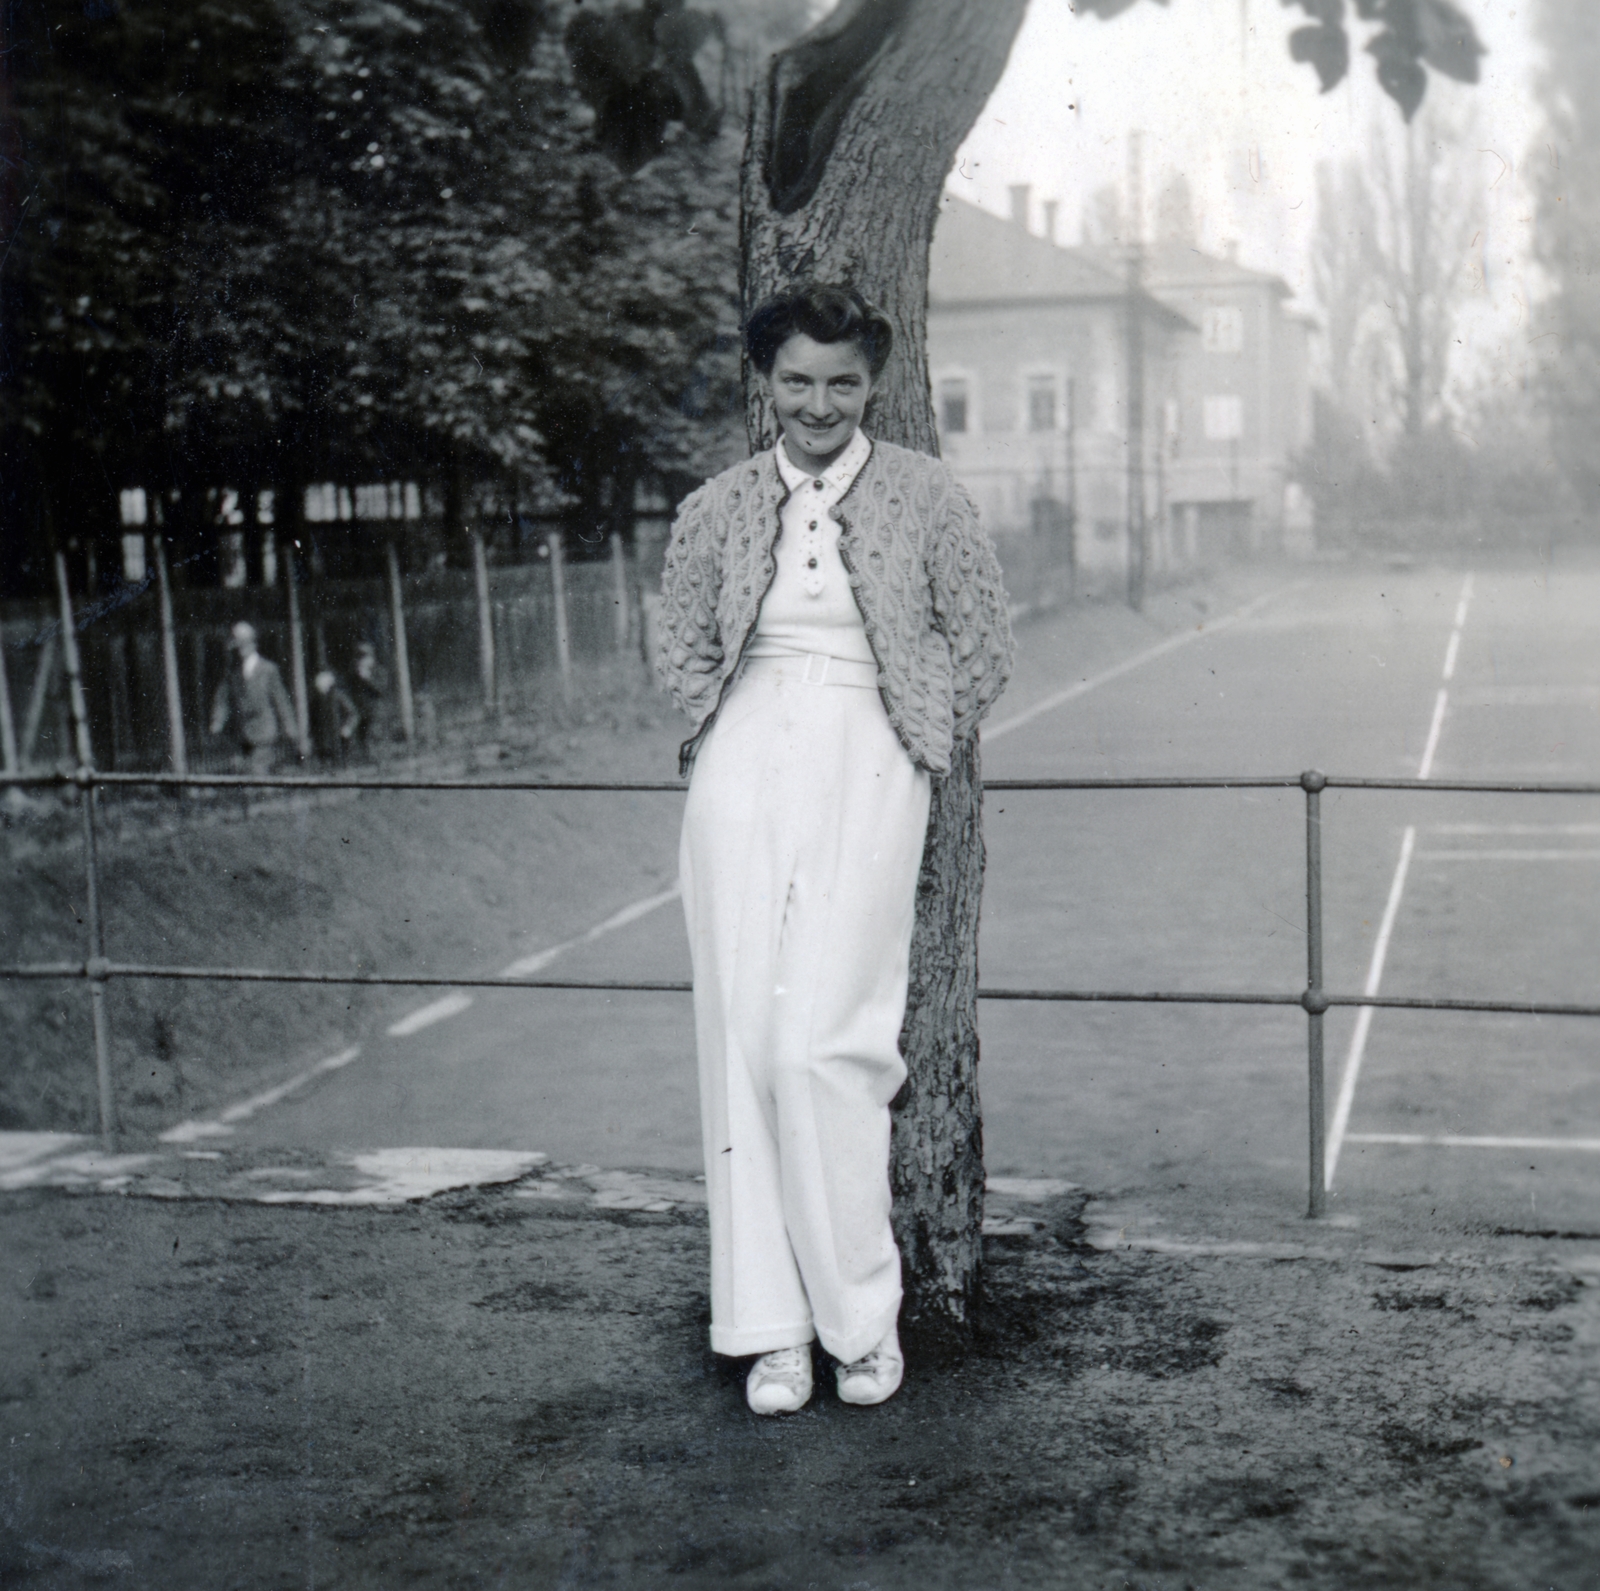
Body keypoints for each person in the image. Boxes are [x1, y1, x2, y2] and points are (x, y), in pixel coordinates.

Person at [656, 282, 1015, 1416]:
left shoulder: (925, 496)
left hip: (871, 750)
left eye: (842, 382)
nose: (818, 404)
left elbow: (983, 641)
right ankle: (768, 1334)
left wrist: (913, 731)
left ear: (874, 384)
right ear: (765, 382)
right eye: (797, 381)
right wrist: (716, 714)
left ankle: (859, 1318)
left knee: (827, 1043)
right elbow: (680, 631)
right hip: (743, 756)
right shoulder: (715, 505)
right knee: (744, 1039)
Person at [209, 621, 298, 775]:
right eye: (237, 646)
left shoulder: (268, 670)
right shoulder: (233, 673)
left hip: (264, 731)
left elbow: (281, 700)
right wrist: (218, 721)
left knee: (258, 771)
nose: (240, 650)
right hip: (242, 732)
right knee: (245, 775)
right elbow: (223, 699)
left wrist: (290, 728)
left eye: (243, 644)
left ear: (252, 644)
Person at [310, 667, 360, 764]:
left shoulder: (338, 697)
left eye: (321, 681)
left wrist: (347, 728)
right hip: (323, 742)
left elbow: (353, 714)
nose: (318, 683)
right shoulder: (315, 699)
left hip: (339, 740)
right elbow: (313, 720)